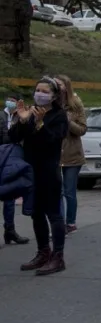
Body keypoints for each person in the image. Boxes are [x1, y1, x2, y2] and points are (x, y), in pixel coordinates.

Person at [10, 78, 68, 275]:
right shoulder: (30, 111)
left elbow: (53, 140)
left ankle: (58, 256)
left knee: (53, 213)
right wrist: (23, 120)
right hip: (30, 169)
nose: (40, 94)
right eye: (37, 90)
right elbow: (13, 138)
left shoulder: (59, 115)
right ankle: (43, 251)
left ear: (53, 95)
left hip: (49, 171)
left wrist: (41, 124)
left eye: (45, 91)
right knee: (36, 212)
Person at [56, 75, 87, 234]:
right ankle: (58, 223)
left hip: (72, 155)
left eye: (60, 85)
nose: (58, 87)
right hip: (54, 155)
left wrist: (68, 122)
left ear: (66, 87)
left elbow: (82, 130)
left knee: (69, 191)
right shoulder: (50, 104)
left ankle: (71, 222)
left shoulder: (76, 104)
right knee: (57, 191)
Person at [0, 94, 29, 246]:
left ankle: (10, 230)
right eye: (8, 100)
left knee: (9, 195)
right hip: (1, 155)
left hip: (13, 158)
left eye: (13, 101)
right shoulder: (0, 116)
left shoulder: (21, 116)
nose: (10, 103)